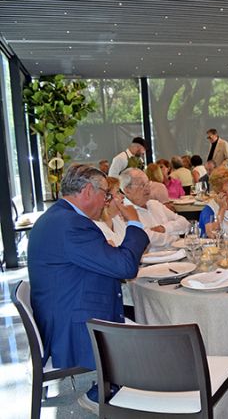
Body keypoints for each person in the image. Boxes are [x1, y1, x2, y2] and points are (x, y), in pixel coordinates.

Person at [28, 164, 149, 412]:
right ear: (86, 191)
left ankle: (114, 384)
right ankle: (102, 394)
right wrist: (134, 224)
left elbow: (100, 260)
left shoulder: (59, 217)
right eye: (105, 194)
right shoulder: (71, 225)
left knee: (142, 320)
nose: (106, 201)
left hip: (64, 310)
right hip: (73, 326)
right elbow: (126, 266)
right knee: (158, 339)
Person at [120, 168, 190, 249]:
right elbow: (147, 237)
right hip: (151, 260)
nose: (147, 189)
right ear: (127, 190)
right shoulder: (125, 212)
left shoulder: (154, 204)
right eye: (142, 185)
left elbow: (185, 223)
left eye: (148, 184)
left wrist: (163, 228)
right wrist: (176, 239)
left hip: (175, 254)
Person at [94, 176, 128, 247]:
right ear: (106, 198)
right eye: (118, 192)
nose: (123, 196)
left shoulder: (118, 220)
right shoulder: (95, 228)